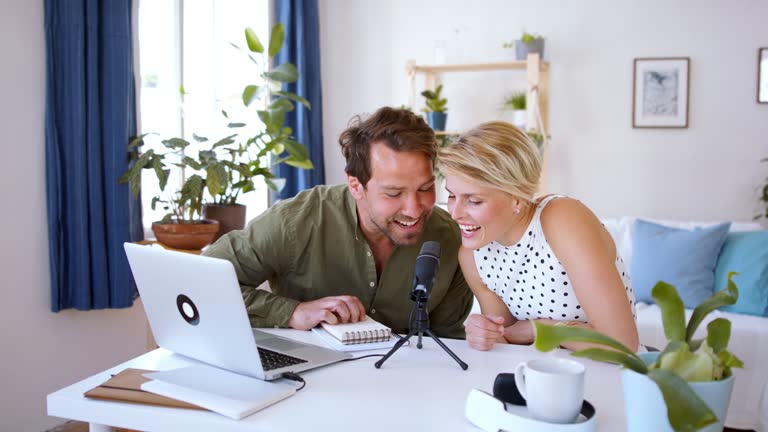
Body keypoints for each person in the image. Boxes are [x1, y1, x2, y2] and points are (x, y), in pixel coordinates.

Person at [204, 107, 472, 339]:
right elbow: (204, 281)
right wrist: (292, 313)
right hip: (304, 385)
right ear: (356, 185)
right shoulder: (297, 221)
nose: (414, 209)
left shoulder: (451, 240)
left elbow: (446, 343)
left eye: (425, 188)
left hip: (402, 385)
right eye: (394, 193)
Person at [438, 121, 638, 351]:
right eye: (452, 196)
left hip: (609, 375)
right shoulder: (473, 256)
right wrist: (485, 334)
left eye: (474, 201)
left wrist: (541, 329)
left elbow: (621, 344)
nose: (455, 213)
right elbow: (509, 341)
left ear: (518, 198)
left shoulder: (562, 219)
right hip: (535, 377)